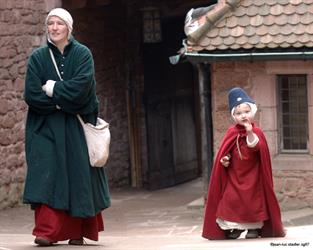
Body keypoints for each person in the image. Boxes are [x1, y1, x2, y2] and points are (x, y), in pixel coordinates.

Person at [23, 8, 111, 246]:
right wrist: (63, 104)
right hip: (44, 126)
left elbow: (82, 91)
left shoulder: (83, 55)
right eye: (50, 23)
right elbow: (31, 95)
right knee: (46, 174)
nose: (54, 28)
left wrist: (52, 89)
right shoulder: (38, 58)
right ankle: (47, 231)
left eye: (59, 23)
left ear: (68, 27)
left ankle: (76, 231)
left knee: (76, 175)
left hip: (75, 128)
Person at [202, 87, 285, 240]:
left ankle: (253, 228)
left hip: (253, 176)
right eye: (238, 113)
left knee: (252, 201)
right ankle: (236, 227)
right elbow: (226, 153)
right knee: (231, 199)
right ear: (234, 116)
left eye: (246, 112)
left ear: (252, 112)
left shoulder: (256, 132)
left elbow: (255, 147)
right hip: (234, 175)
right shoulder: (231, 132)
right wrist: (225, 160)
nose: (243, 116)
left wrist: (249, 132)